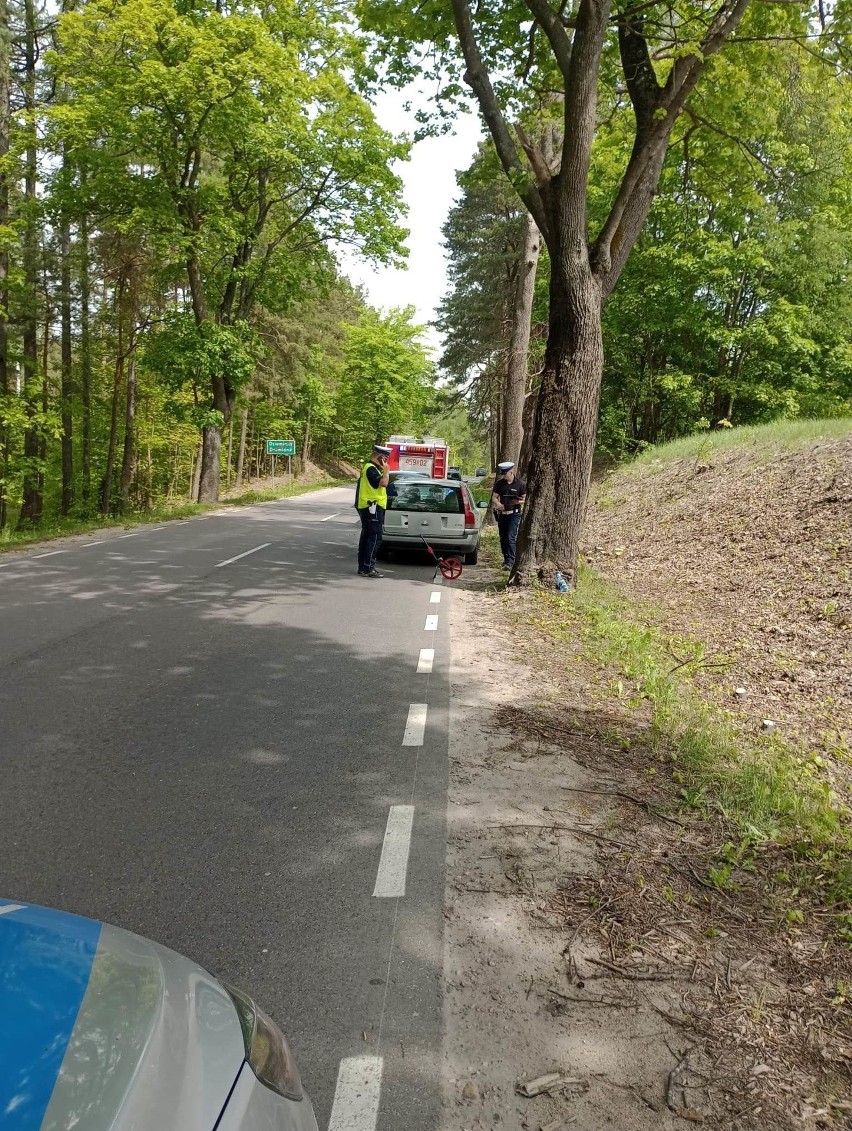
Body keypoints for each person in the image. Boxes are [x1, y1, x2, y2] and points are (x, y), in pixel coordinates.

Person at [355, 444, 392, 577]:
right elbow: (383, 483)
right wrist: (386, 471)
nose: (386, 460)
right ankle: (368, 567)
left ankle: (363, 567)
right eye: (385, 457)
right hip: (373, 507)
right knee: (375, 538)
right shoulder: (371, 469)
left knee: (366, 537)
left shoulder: (370, 468)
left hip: (370, 507)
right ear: (379, 456)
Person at [491, 460, 527, 569]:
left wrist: (518, 502)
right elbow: (494, 497)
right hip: (502, 514)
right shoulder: (500, 484)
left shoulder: (520, 484)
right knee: (503, 538)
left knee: (510, 537)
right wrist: (498, 504)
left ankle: (511, 561)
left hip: (514, 514)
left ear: (511, 472)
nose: (503, 476)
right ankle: (506, 559)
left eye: (505, 473)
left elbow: (525, 498)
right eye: (502, 473)